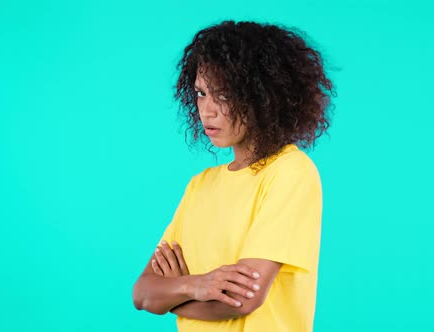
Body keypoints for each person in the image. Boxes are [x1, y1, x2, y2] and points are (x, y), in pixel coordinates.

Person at [132, 20, 334, 332]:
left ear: (264, 96)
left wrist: (172, 297)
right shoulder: (200, 185)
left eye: (223, 95)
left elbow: (241, 300)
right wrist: (196, 285)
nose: (207, 110)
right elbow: (143, 294)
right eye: (201, 93)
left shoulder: (290, 172)